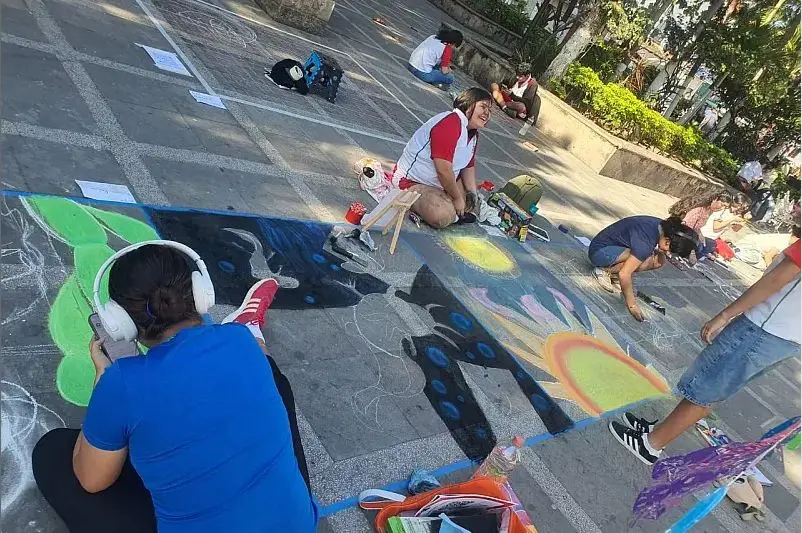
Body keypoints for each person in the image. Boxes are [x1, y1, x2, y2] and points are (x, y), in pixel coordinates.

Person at [32, 243, 317, 533]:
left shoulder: (121, 382)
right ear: (200, 293)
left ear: (120, 323)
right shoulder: (241, 338)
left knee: (52, 450)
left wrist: (102, 382)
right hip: (299, 526)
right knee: (275, 379)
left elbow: (92, 480)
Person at [610, 238, 800, 465]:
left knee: (709, 385)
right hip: (785, 336)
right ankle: (659, 432)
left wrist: (725, 315)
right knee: (716, 384)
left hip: (764, 326)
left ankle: (651, 444)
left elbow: (776, 279)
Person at [392, 87, 492, 229]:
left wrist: (472, 193)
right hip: (412, 181)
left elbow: (468, 165)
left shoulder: (473, 134)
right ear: (469, 105)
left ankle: (451, 209)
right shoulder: (451, 122)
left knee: (470, 204)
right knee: (442, 215)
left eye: (489, 110)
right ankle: (450, 211)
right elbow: (443, 170)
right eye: (483, 107)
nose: (487, 113)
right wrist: (457, 198)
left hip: (443, 183)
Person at [588, 216, 698, 321]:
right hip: (599, 252)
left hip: (611, 246)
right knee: (646, 259)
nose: (668, 253)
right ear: (667, 240)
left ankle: (612, 271)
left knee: (658, 260)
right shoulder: (645, 241)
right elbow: (624, 274)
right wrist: (632, 305)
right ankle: (603, 271)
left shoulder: (663, 227)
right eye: (670, 250)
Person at [669, 191, 733, 259]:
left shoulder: (709, 210)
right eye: (722, 205)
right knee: (699, 247)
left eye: (725, 207)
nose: (722, 208)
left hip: (689, 233)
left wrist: (701, 238)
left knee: (710, 244)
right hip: (679, 232)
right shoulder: (700, 208)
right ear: (715, 199)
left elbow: (697, 227)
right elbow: (686, 226)